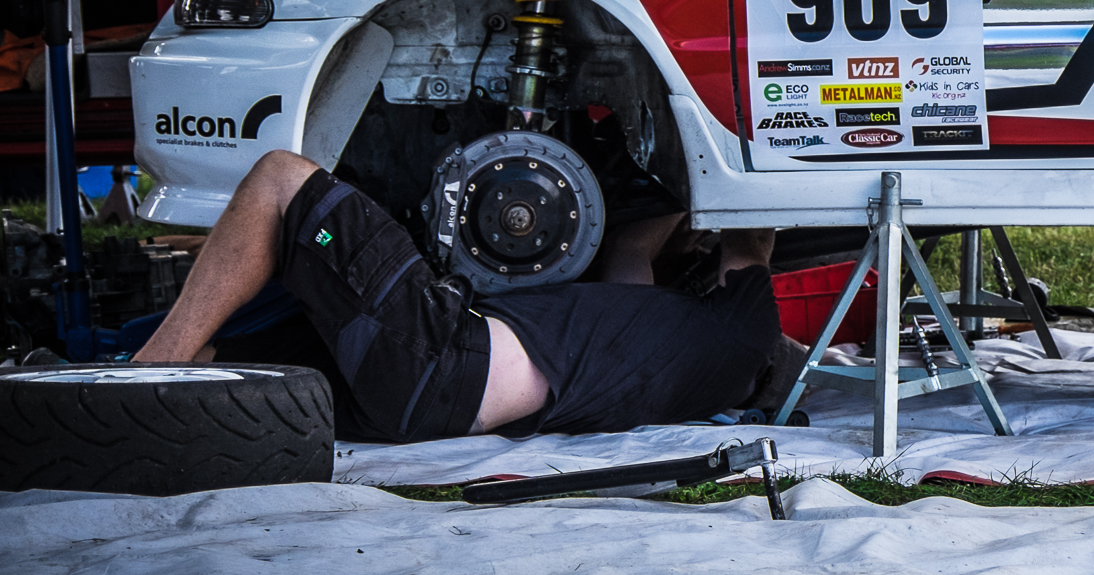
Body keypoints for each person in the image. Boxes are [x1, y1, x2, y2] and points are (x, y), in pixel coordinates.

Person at [133, 150, 781, 443]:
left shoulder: (745, 332)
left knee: (282, 180)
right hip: (416, 408)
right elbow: (631, 252)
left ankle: (143, 371)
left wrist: (716, 161)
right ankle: (120, 402)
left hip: (441, 356)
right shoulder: (685, 353)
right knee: (236, 364)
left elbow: (751, 236)